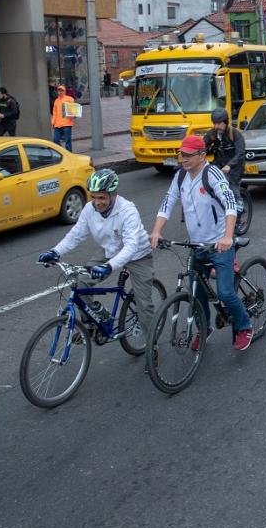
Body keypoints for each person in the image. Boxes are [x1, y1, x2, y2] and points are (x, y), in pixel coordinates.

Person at [151, 135, 253, 351]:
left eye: (188, 155)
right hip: (197, 245)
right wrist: (156, 232)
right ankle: (204, 329)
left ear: (201, 155)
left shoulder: (213, 174)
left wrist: (227, 237)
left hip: (219, 244)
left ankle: (245, 326)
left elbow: (230, 205)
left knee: (225, 292)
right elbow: (168, 201)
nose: (183, 159)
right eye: (181, 154)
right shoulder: (180, 176)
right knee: (197, 293)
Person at [38, 168, 155, 350]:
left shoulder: (128, 210)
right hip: (110, 250)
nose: (97, 202)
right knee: (81, 283)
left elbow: (131, 246)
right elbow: (76, 235)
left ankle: (151, 346)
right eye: (94, 197)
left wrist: (109, 267)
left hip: (137, 254)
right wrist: (55, 252)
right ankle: (94, 321)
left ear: (113, 194)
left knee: (144, 304)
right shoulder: (89, 209)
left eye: (102, 198)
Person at [203, 107, 246, 211]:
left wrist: (229, 165)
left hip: (234, 166)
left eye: (219, 123)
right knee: (207, 181)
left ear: (226, 122)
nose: (217, 126)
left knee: (232, 187)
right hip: (219, 163)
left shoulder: (234, 133)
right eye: (215, 123)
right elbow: (201, 146)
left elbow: (240, 153)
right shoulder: (212, 134)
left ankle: (239, 210)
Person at [51, 84, 75, 152]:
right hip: (57, 124)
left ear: (64, 91)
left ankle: (69, 154)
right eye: (59, 91)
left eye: (62, 90)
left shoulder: (69, 99)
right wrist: (53, 122)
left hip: (67, 124)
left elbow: (74, 109)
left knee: (68, 141)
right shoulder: (56, 101)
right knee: (55, 140)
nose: (60, 92)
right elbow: (54, 113)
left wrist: (74, 114)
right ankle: (62, 152)